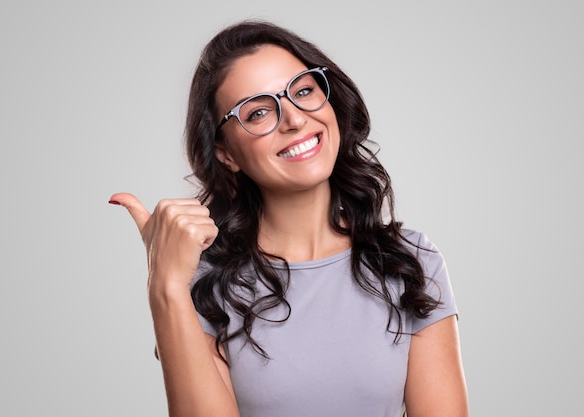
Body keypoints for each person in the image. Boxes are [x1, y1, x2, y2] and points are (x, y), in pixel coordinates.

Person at [109, 20, 469, 417]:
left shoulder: (412, 262)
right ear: (225, 153)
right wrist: (166, 285)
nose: (294, 119)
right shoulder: (202, 280)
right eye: (259, 112)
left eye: (302, 91)